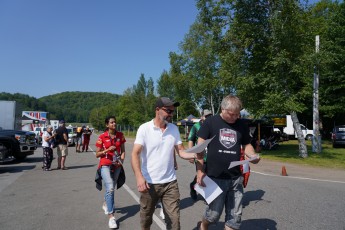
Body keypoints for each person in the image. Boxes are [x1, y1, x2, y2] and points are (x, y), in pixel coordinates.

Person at [195, 95, 260, 230]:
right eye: (232, 114)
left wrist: (253, 155)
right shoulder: (210, 122)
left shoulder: (241, 125)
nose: (235, 117)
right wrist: (200, 171)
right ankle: (203, 225)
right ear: (223, 109)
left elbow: (247, 145)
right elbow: (199, 148)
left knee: (234, 219)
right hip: (215, 177)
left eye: (238, 114)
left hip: (236, 178)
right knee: (212, 215)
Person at [131, 97, 197, 230]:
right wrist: (139, 177)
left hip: (170, 183)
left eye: (173, 111)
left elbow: (182, 152)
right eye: (168, 111)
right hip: (149, 184)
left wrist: (197, 154)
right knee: (146, 220)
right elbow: (135, 154)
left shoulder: (173, 129)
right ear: (157, 110)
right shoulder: (144, 129)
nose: (171, 114)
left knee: (174, 222)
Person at [95, 116, 126, 229]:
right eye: (112, 122)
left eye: (115, 122)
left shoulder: (120, 135)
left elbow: (123, 151)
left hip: (116, 165)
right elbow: (97, 154)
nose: (114, 124)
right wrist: (107, 150)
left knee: (111, 186)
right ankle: (111, 217)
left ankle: (105, 203)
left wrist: (121, 161)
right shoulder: (102, 137)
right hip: (105, 164)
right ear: (107, 125)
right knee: (110, 188)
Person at [188, 109, 213, 201]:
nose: (208, 118)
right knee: (202, 174)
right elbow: (191, 140)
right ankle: (193, 186)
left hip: (211, 155)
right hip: (200, 155)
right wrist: (191, 154)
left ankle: (208, 194)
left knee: (210, 174)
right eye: (206, 116)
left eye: (210, 116)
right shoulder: (196, 126)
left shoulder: (213, 125)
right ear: (202, 117)